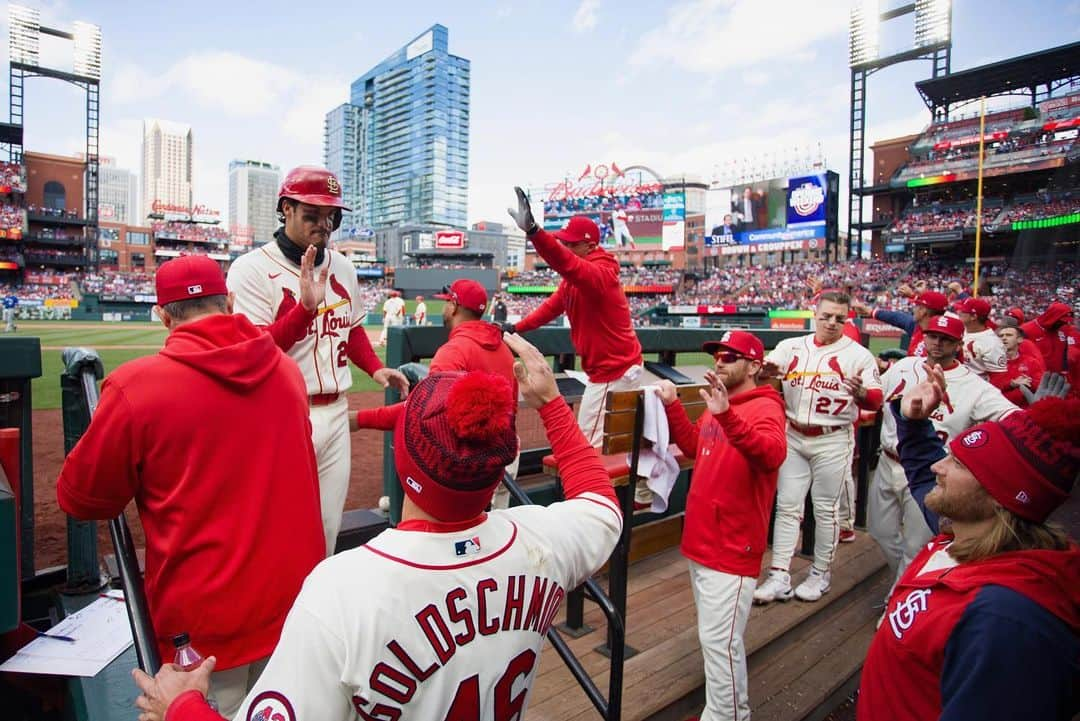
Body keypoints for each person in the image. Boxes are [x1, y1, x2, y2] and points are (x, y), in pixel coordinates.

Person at [130, 333, 623, 721]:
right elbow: (602, 504)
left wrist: (183, 708)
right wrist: (553, 404)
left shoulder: (343, 590)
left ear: (404, 456)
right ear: (497, 466)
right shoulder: (540, 542)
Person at [57, 256, 324, 718]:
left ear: (163, 316)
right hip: (298, 610)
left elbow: (80, 497)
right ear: (231, 302)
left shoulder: (136, 386)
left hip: (203, 635)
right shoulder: (285, 371)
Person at [857, 378, 1080, 721]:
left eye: (959, 463)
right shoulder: (964, 528)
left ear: (999, 494)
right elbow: (924, 472)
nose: (938, 467)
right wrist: (915, 425)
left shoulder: (1006, 620)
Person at [226, 165, 410, 555]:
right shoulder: (251, 270)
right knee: (282, 526)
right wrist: (303, 313)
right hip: (283, 413)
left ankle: (311, 609)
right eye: (312, 214)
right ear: (285, 210)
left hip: (336, 413)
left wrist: (375, 368)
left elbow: (352, 328)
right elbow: (254, 352)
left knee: (327, 528)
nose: (323, 224)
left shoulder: (342, 267)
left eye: (331, 216)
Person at [656, 331, 786, 721]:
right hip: (704, 539)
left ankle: (730, 716)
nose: (721, 361)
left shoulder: (765, 407)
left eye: (731, 356)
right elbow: (697, 447)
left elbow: (772, 455)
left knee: (720, 644)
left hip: (732, 545)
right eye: (718, 355)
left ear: (753, 365)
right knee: (715, 640)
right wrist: (673, 407)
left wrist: (727, 414)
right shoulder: (720, 402)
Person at [505, 188, 649, 506]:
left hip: (615, 372)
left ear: (590, 244)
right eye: (565, 240)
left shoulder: (599, 273)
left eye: (572, 242)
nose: (566, 245)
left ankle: (590, 508)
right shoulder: (578, 278)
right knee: (601, 442)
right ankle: (629, 489)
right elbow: (552, 307)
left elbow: (566, 264)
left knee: (582, 447)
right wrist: (515, 328)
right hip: (612, 369)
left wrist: (534, 232)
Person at [869, 314, 1018, 596]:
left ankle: (896, 598)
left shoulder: (974, 386)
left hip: (932, 472)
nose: (937, 343)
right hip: (888, 461)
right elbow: (876, 395)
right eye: (932, 336)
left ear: (958, 344)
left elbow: (1015, 418)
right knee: (880, 532)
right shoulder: (904, 366)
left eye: (946, 339)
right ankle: (904, 579)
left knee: (916, 546)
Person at [754, 291, 883, 604]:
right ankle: (779, 575)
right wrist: (764, 373)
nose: (832, 322)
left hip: (833, 436)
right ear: (815, 314)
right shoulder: (791, 347)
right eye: (826, 316)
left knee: (825, 510)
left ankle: (820, 574)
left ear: (847, 318)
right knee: (787, 506)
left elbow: (876, 400)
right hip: (795, 433)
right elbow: (764, 375)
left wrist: (863, 392)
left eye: (839, 317)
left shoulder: (858, 355)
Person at [355, 279, 520, 509]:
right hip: (503, 459)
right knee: (494, 535)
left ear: (453, 306)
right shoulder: (503, 349)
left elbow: (423, 416)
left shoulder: (452, 352)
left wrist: (360, 419)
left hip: (470, 468)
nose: (444, 308)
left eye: (446, 303)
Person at [851, 290, 948, 358]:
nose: (914, 309)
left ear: (923, 311)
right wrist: (870, 311)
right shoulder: (918, 326)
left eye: (916, 306)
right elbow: (896, 318)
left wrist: (888, 365)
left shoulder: (937, 344)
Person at [954, 297, 1008, 383]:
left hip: (974, 387)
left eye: (963, 311)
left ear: (974, 317)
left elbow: (998, 379)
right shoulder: (961, 329)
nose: (959, 312)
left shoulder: (991, 343)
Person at [996, 316, 1045, 407]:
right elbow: (989, 388)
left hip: (1025, 412)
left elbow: (1041, 386)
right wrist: (1011, 384)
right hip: (999, 412)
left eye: (1009, 335)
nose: (1004, 338)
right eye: (1001, 336)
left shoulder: (1031, 362)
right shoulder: (992, 363)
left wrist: (1028, 382)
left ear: (1020, 339)